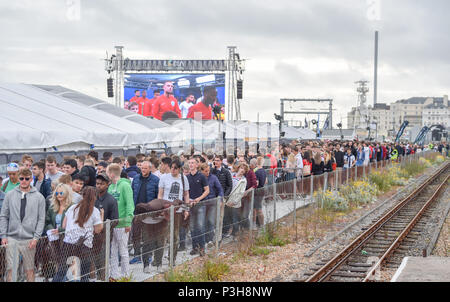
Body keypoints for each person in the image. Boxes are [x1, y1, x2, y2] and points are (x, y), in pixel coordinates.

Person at [0, 168, 46, 282]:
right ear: (18, 179)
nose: (24, 181)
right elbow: (4, 216)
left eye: (26, 178)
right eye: (21, 178)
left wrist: (36, 238)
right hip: (12, 238)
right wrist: (4, 236)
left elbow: (41, 219)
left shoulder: (39, 197)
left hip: (29, 239)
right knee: (11, 269)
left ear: (31, 179)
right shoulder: (9, 195)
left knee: (29, 270)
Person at [52, 187, 103, 282]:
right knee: (84, 274)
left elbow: (63, 225)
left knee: (62, 271)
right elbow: (98, 230)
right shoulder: (95, 211)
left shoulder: (72, 208)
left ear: (82, 195)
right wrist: (102, 217)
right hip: (84, 245)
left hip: (68, 243)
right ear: (95, 197)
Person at [106, 163, 135, 281]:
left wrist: (128, 221)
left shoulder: (125, 186)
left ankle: (125, 275)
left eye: (108, 173)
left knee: (123, 251)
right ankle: (114, 274)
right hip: (112, 225)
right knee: (113, 251)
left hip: (122, 224)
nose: (107, 175)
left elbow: (130, 204)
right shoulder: (110, 187)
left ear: (112, 174)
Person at [130, 161, 159, 269]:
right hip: (137, 211)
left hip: (149, 211)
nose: (143, 170)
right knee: (136, 234)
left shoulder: (156, 180)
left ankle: (148, 255)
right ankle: (137, 255)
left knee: (148, 235)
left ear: (150, 169)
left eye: (145, 168)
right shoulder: (136, 179)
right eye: (142, 168)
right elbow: (133, 192)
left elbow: (157, 196)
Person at [158, 160, 190, 256]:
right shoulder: (164, 178)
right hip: (165, 210)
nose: (173, 169)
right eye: (171, 167)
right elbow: (160, 194)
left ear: (179, 169)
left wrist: (186, 209)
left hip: (178, 211)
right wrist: (160, 207)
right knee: (162, 235)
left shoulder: (183, 179)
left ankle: (172, 258)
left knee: (175, 235)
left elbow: (186, 194)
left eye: (175, 168)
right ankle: (158, 258)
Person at [43, 183, 73, 281]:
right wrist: (51, 229)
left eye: (61, 193)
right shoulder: (52, 207)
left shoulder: (72, 207)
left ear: (67, 193)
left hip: (67, 238)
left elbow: (73, 224)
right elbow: (47, 221)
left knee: (66, 262)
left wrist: (59, 230)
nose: (59, 195)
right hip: (54, 238)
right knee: (58, 261)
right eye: (57, 193)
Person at [93, 173, 119, 281]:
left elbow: (115, 220)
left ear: (107, 185)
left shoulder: (111, 200)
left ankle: (102, 278)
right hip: (91, 235)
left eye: (102, 184)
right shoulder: (93, 198)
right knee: (91, 261)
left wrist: (103, 226)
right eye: (97, 183)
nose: (99, 186)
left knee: (102, 261)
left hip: (104, 237)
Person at [186, 158, 209, 256]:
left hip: (200, 204)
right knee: (192, 227)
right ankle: (194, 247)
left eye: (192, 163)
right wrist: (188, 201)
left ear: (196, 165)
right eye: (189, 163)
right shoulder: (186, 177)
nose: (191, 165)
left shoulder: (202, 176)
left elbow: (207, 190)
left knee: (200, 226)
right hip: (190, 205)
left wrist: (198, 199)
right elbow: (185, 192)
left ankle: (202, 248)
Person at [199, 163, 223, 248]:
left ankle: (210, 240)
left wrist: (220, 199)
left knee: (210, 220)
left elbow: (220, 189)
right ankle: (204, 240)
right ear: (201, 171)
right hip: (202, 203)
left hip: (212, 202)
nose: (208, 172)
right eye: (205, 171)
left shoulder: (213, 178)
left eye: (208, 171)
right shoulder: (199, 178)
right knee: (203, 222)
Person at [253, 157, 266, 229]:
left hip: (257, 191)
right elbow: (266, 181)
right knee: (256, 208)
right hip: (262, 190)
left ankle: (261, 225)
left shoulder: (257, 172)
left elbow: (256, 183)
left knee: (258, 209)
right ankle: (256, 224)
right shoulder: (264, 171)